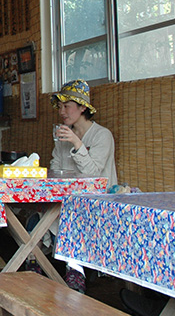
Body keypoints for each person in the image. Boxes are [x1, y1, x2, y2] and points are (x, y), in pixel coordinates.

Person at [27, 79, 117, 292]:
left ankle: (75, 271)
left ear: (83, 107)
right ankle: (34, 263)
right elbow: (55, 167)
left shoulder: (102, 135)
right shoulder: (63, 134)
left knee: (70, 215)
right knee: (37, 214)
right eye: (60, 107)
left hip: (96, 199)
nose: (62, 112)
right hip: (66, 197)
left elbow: (93, 172)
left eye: (66, 106)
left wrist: (76, 143)